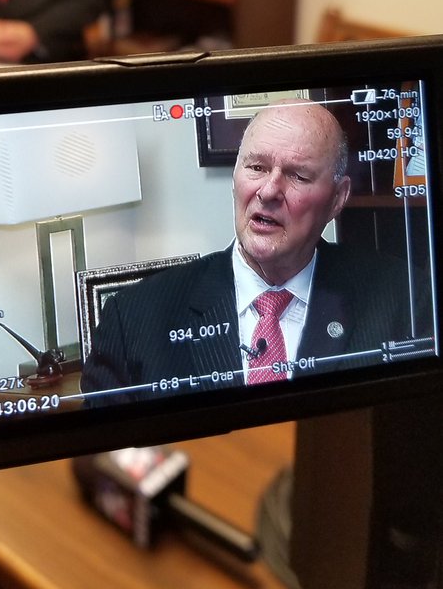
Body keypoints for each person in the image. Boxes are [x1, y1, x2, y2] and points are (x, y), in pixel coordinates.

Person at [81, 101, 428, 401]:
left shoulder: (405, 298)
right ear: (235, 177)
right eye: (257, 167)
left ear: (337, 199)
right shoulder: (133, 318)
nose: (269, 191)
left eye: (298, 175)